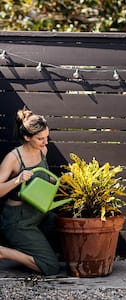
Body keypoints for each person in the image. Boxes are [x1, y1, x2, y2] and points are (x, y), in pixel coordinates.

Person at [0, 108, 60, 276]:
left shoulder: (43, 151)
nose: (45, 142)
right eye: (40, 138)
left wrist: (56, 181)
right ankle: (3, 252)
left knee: (71, 228)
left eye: (47, 137)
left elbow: (41, 180)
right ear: (27, 137)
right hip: (18, 220)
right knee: (51, 267)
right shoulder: (13, 158)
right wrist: (17, 180)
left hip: (40, 213)